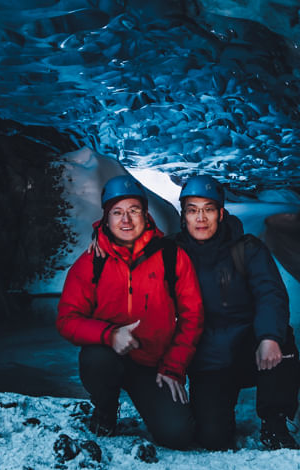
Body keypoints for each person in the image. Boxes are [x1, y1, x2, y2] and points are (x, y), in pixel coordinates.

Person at [55, 174, 205, 448]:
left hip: (153, 364)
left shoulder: (171, 257)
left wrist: (174, 367)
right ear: (106, 218)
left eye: (133, 211)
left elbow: (192, 317)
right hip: (109, 356)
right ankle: (105, 410)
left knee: (179, 435)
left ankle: (152, 402)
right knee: (96, 359)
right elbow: (67, 320)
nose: (126, 220)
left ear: (146, 214)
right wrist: (109, 335)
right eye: (118, 212)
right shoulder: (91, 263)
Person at [173, 174, 300, 450]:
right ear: (183, 215)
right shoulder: (171, 253)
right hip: (206, 359)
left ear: (221, 213)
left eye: (208, 209)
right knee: (213, 438)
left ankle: (275, 424)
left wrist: (269, 337)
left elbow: (271, 294)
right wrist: (99, 238)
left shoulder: (247, 250)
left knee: (282, 340)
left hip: (247, 348)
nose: (201, 217)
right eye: (193, 210)